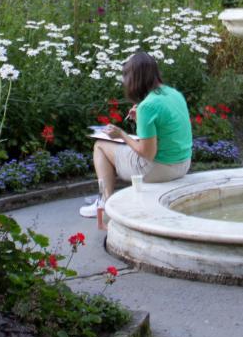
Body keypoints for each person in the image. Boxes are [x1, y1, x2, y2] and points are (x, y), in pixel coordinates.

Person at [80, 51, 193, 218]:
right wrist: (139, 118)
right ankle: (104, 201)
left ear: (135, 78)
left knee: (100, 145)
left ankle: (105, 202)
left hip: (158, 170)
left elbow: (148, 153)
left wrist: (122, 135)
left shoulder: (147, 106)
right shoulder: (173, 94)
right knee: (122, 145)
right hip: (183, 164)